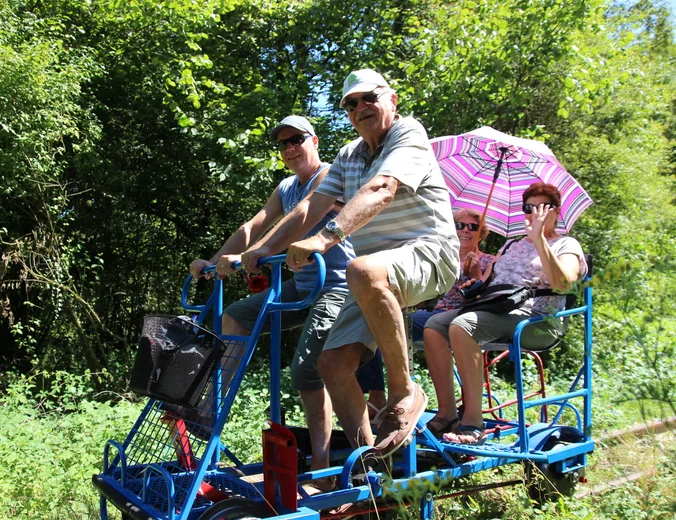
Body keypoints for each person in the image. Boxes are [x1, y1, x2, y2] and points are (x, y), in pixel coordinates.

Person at [242, 69, 459, 460]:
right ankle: (371, 464)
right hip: (375, 274)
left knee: (361, 269)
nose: (360, 108)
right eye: (350, 103)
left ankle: (404, 392)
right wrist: (263, 247)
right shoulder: (348, 155)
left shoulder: (408, 133)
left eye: (369, 98)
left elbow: (382, 188)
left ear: (391, 99)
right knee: (332, 365)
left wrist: (325, 238)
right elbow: (312, 206)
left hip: (430, 252)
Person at [190, 115, 355, 479]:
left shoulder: (332, 175)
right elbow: (254, 225)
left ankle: (323, 469)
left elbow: (301, 216)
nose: (290, 148)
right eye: (283, 143)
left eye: (297, 139)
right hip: (302, 285)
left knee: (306, 370)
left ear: (315, 140)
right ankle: (209, 410)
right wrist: (214, 263)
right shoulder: (285, 187)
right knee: (235, 315)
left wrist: (260, 252)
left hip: (338, 285)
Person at [423, 182, 587, 444]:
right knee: (434, 325)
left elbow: (563, 284)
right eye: (528, 207)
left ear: (556, 211)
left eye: (542, 207)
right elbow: (486, 284)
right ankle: (447, 413)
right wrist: (475, 275)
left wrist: (540, 241)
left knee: (463, 326)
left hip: (538, 319)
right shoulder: (511, 245)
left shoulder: (566, 244)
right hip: (498, 308)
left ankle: (473, 422)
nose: (534, 212)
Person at [356, 207, 495, 426]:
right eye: (459, 225)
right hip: (429, 313)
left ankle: (402, 396)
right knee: (371, 318)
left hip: (461, 317)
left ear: (482, 232)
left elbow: (486, 301)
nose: (465, 231)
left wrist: (476, 276)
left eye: (473, 227)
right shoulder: (441, 256)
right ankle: (376, 393)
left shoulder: (488, 261)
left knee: (386, 321)